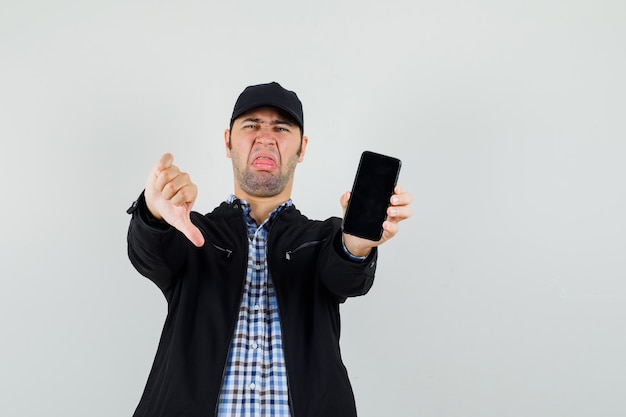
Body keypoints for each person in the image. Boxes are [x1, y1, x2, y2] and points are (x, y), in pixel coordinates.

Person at [126, 81, 412, 417]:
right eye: (251, 126)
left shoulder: (323, 237)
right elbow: (148, 254)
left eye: (281, 127)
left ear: (301, 148)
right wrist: (154, 212)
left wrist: (356, 245)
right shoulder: (192, 232)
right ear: (228, 142)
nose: (265, 137)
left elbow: (345, 276)